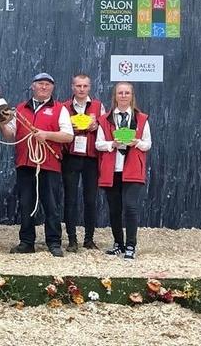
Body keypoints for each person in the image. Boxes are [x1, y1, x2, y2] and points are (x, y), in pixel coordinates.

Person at [0, 72, 73, 257]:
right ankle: (26, 242)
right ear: (33, 86)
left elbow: (68, 135)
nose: (44, 87)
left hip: (49, 164)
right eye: (40, 83)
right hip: (25, 164)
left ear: (52, 88)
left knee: (51, 205)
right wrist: (1, 124)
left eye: (48, 84)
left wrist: (46, 135)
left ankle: (54, 242)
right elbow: (10, 135)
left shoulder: (59, 109)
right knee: (26, 204)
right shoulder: (21, 109)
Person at [95, 82, 152, 260]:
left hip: (132, 169)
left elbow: (147, 143)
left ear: (132, 96)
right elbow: (98, 144)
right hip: (112, 170)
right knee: (114, 209)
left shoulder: (141, 118)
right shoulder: (105, 119)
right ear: (115, 96)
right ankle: (118, 243)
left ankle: (131, 245)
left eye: (127, 93)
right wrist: (112, 144)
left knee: (130, 207)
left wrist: (136, 142)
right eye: (120, 93)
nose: (124, 95)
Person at [61, 74, 106, 252]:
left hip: (91, 158)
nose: (81, 89)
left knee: (90, 200)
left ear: (89, 87)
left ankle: (89, 239)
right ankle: (72, 239)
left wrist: (97, 126)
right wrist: (67, 128)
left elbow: (106, 130)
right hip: (70, 156)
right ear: (72, 87)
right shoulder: (64, 107)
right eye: (78, 86)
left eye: (85, 86)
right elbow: (58, 128)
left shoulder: (98, 106)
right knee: (70, 199)